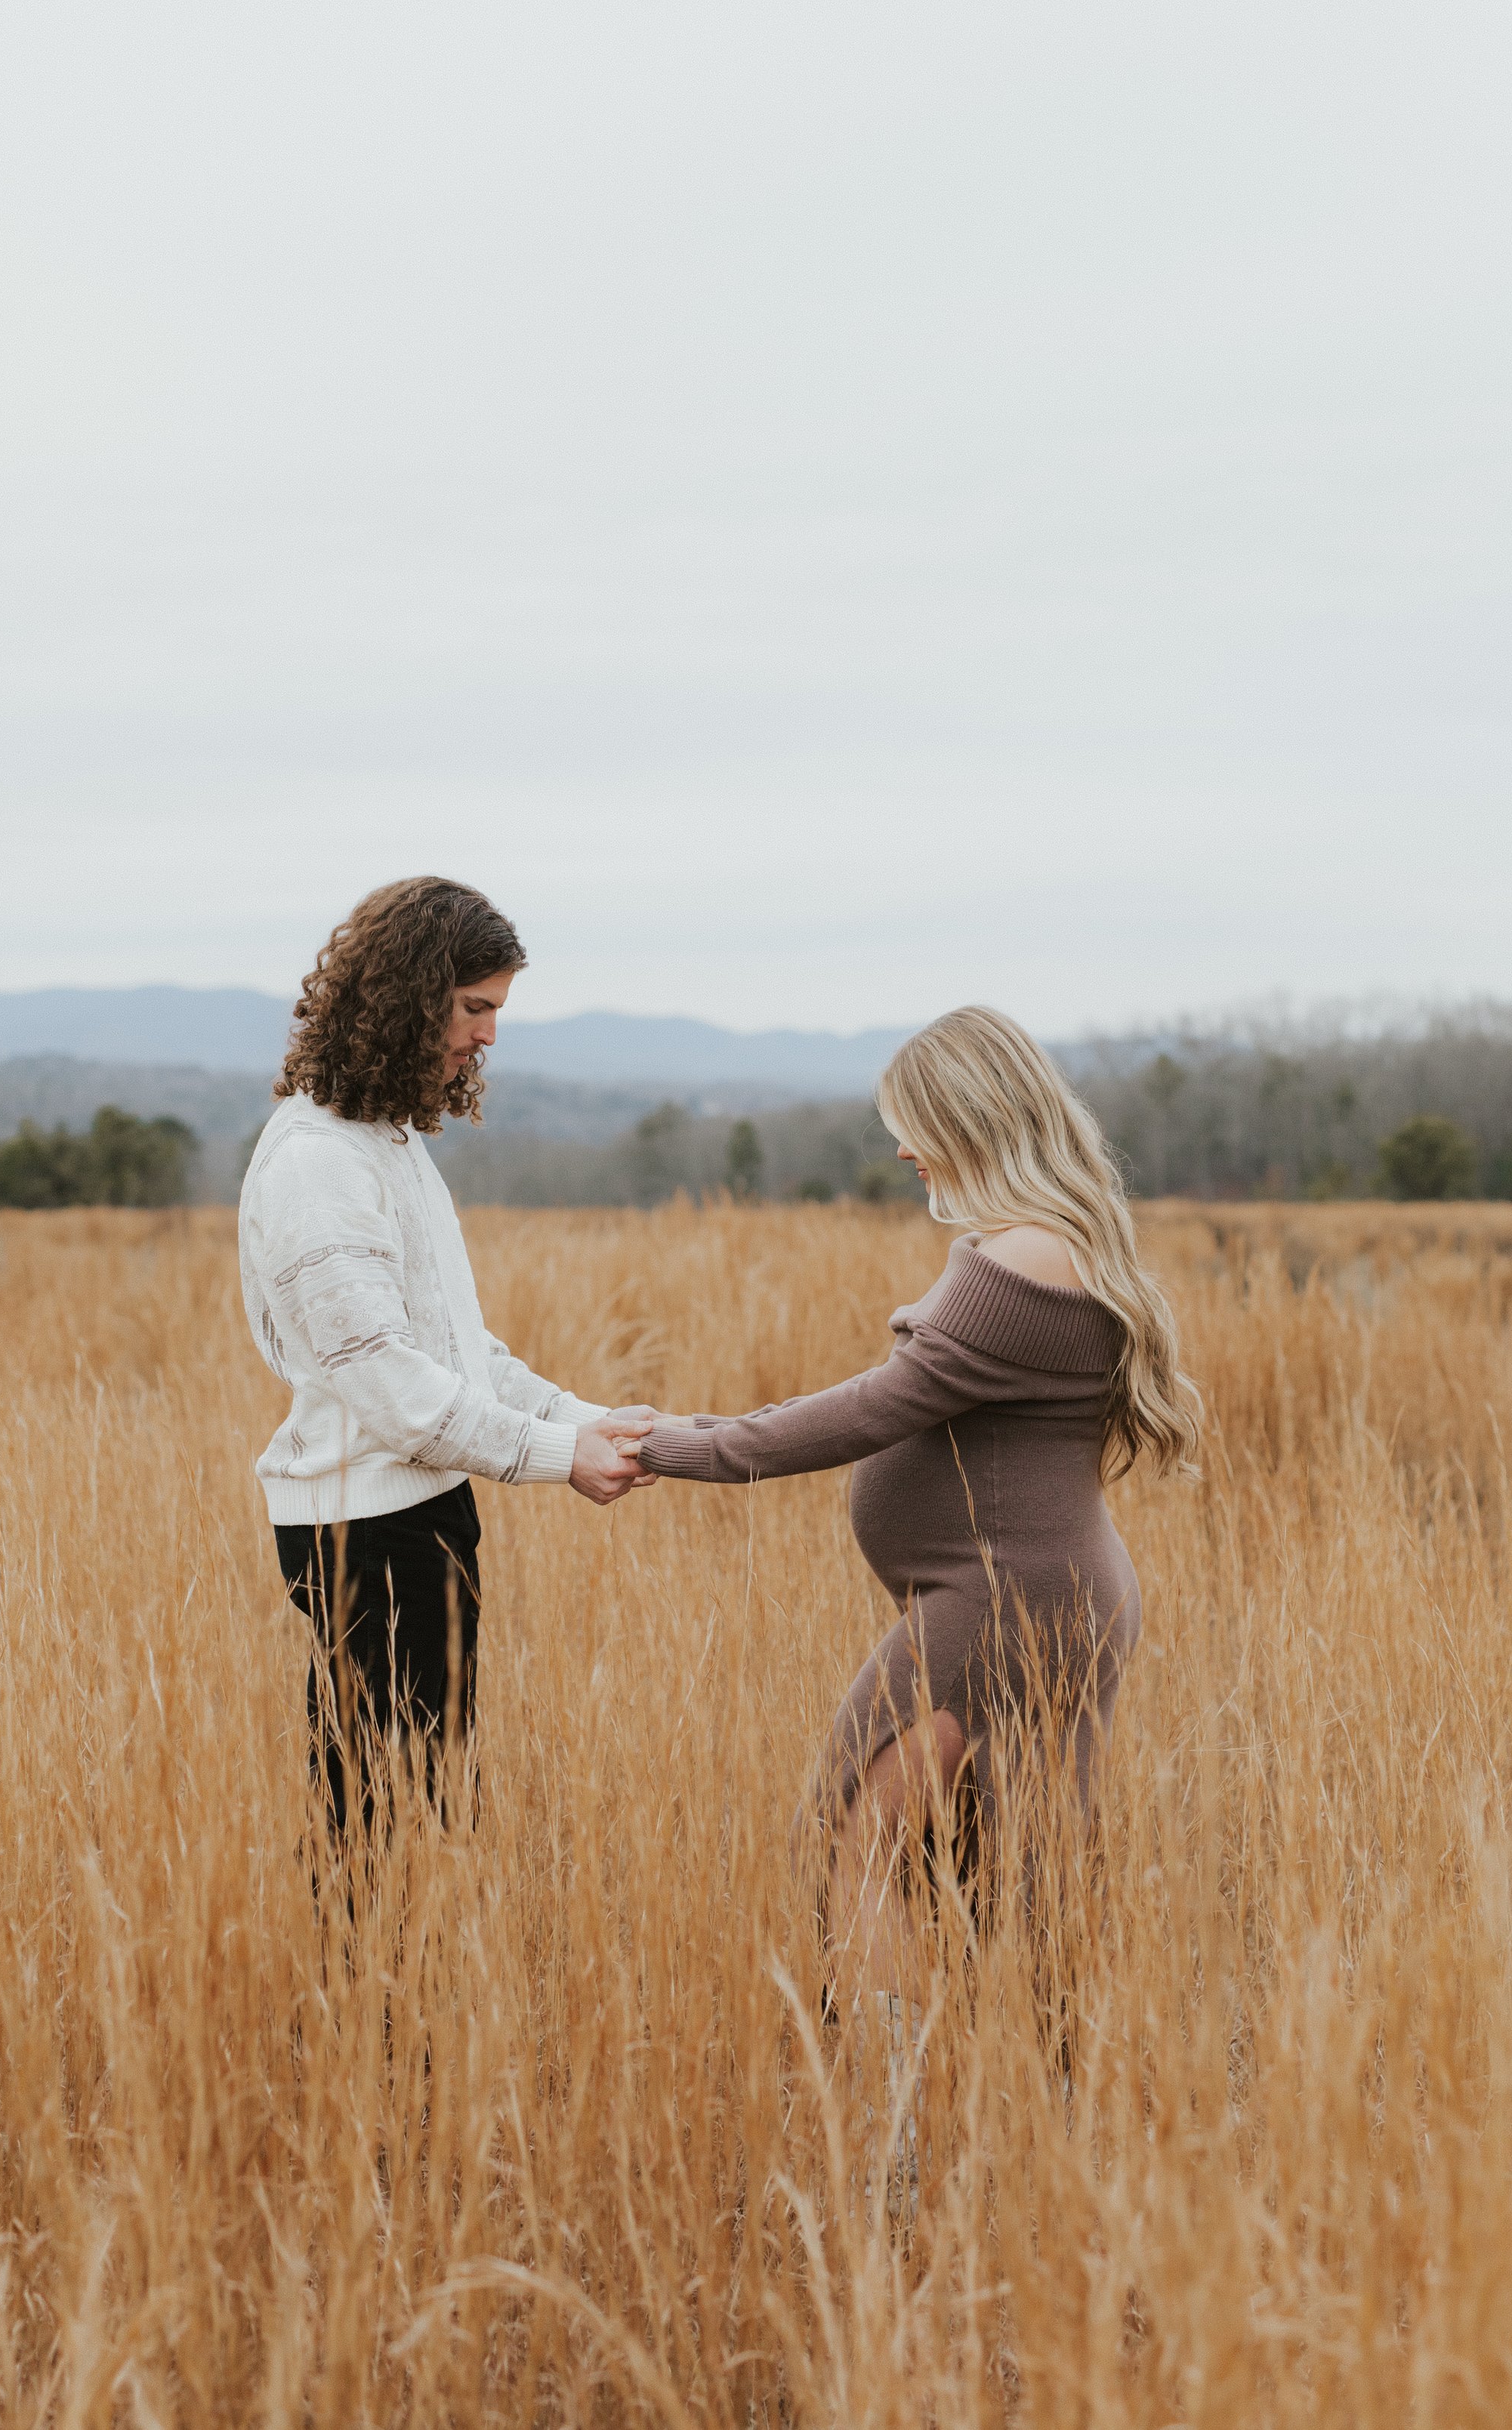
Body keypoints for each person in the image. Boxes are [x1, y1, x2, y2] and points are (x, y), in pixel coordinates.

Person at [635, 1005, 1200, 2134]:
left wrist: (674, 1444)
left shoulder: (1021, 1259)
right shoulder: (1059, 1238)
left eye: (911, 1125)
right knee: (1018, 1866)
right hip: (1043, 1591)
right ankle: (1049, 2125)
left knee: (856, 1837)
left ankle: (897, 2121)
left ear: (967, 1115)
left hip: (1000, 1604)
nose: (902, 1151)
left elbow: (871, 1409)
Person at [239, 875, 652, 1836]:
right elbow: (392, 1384)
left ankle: (397, 1986)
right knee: (381, 1829)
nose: (489, 1037)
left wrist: (584, 1419)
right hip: (364, 1535)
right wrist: (563, 1458)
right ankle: (364, 1990)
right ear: (406, 995)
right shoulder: (316, 1162)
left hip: (418, 1517)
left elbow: (460, 1355)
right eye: (475, 1008)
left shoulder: (381, 1143)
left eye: (496, 1010)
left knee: (423, 1814)